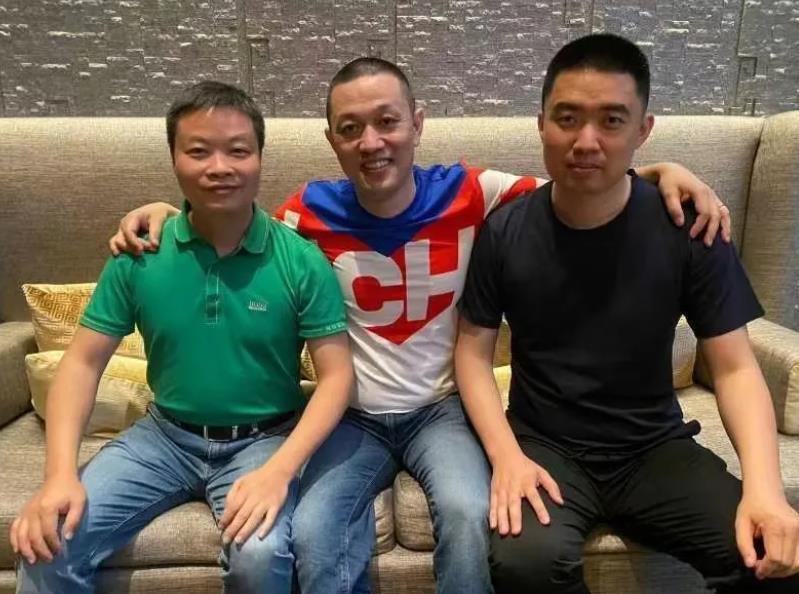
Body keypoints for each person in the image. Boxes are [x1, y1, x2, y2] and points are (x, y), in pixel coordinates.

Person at [108, 58, 732, 594]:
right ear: (332, 140)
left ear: (417, 123)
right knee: (316, 530)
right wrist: (167, 209)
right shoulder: (305, 212)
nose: (371, 141)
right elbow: (233, 226)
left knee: (468, 512)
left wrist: (660, 172)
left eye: (387, 121)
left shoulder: (474, 191)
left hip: (442, 409)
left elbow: (582, 187)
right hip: (351, 414)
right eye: (350, 128)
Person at [455, 33, 799, 594]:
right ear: (541, 125)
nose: (586, 141)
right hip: (545, 446)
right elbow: (471, 357)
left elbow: (736, 367)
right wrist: (507, 456)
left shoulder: (690, 227)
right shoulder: (505, 231)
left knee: (767, 554)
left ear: (643, 130)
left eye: (612, 121)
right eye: (567, 118)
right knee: (525, 563)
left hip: (652, 447)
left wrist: (765, 489)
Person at [9, 81, 353, 594]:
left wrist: (281, 470)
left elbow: (337, 378)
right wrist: (59, 475)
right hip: (164, 437)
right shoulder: (139, 254)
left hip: (265, 440)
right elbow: (81, 364)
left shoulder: (301, 260)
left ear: (260, 158)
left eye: (238, 151)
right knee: (48, 546)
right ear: (173, 159)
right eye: (198, 151)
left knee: (260, 557)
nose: (219, 167)